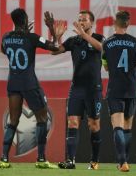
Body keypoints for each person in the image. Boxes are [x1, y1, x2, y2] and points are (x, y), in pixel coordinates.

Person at [0, 8, 60, 169]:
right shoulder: (32, 37)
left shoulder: (6, 37)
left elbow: (3, 50)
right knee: (42, 118)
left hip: (13, 83)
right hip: (30, 84)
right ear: (25, 20)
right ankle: (41, 159)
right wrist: (51, 28)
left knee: (13, 121)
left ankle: (3, 159)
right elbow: (54, 46)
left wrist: (20, 35)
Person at [48, 10, 104, 169]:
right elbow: (54, 51)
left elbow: (102, 48)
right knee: (72, 122)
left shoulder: (99, 38)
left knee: (94, 125)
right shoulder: (74, 41)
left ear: (91, 23)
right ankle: (70, 161)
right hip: (77, 88)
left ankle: (94, 162)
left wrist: (85, 36)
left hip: (94, 89)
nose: (81, 22)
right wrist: (57, 38)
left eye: (84, 20)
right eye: (79, 20)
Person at [102, 11, 136, 172]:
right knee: (127, 127)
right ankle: (124, 160)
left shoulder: (107, 43)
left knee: (117, 126)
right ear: (128, 24)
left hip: (115, 89)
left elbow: (105, 66)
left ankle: (122, 161)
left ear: (115, 23)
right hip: (131, 90)